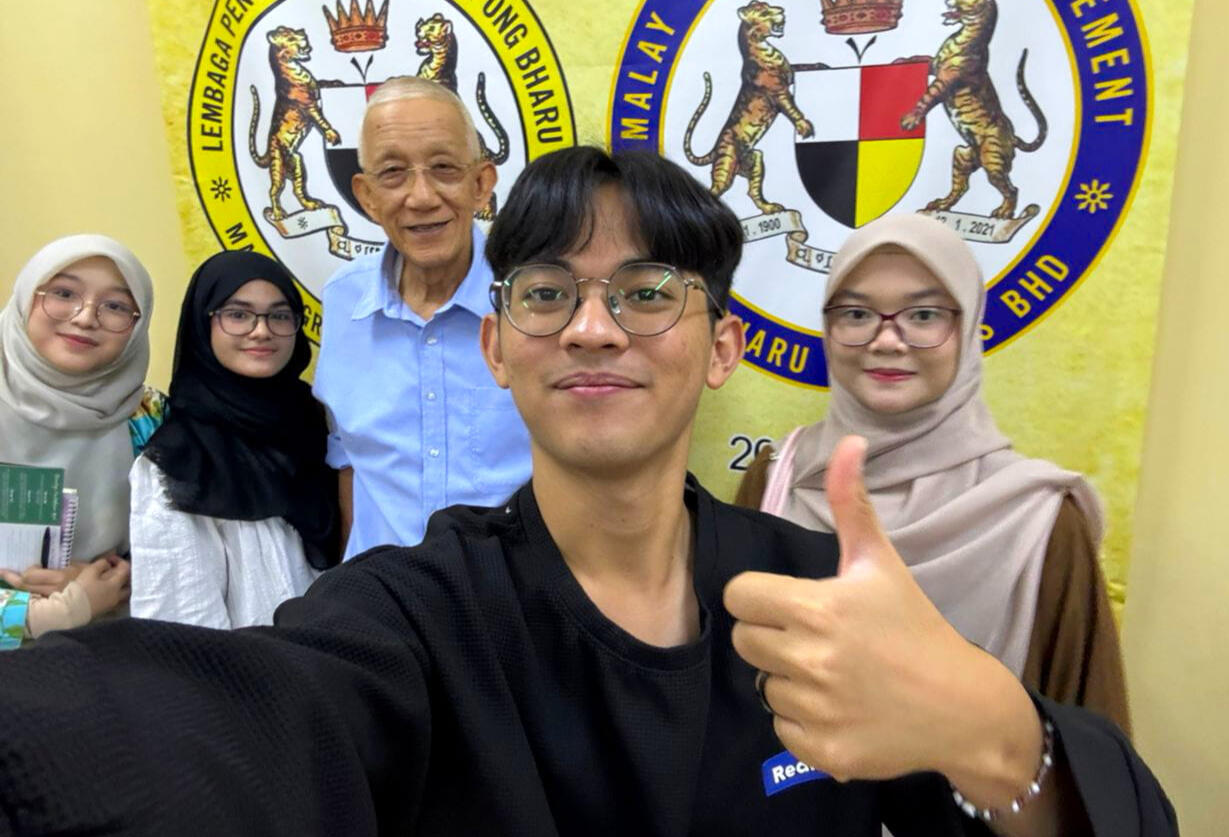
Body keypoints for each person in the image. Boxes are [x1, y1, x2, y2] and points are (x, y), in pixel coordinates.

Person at [0, 149, 1173, 836]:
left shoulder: (814, 593)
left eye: (648, 291)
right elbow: (227, 723)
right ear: (497, 345)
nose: (594, 328)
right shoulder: (412, 613)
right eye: (548, 292)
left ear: (720, 346)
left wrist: (996, 736)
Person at [734, 214, 1129, 733]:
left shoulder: (1039, 519)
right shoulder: (777, 478)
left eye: (923, 315)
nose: (887, 340)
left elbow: (1093, 747)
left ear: (967, 329)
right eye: (856, 313)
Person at [314, 76, 531, 558]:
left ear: (481, 184)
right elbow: (350, 457)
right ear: (366, 196)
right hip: (380, 594)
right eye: (393, 173)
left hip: (514, 593)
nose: (421, 196)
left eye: (444, 168)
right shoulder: (344, 301)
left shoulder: (537, 304)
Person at [128, 252, 339, 629]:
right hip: (244, 664)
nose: (262, 331)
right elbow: (181, 628)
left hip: (345, 654)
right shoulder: (177, 462)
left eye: (279, 315)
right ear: (203, 323)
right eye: (238, 314)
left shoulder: (321, 426)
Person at [0, 234, 157, 628]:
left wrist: (119, 580)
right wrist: (54, 614)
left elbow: (180, 557)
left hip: (114, 645)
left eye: (115, 306)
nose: (86, 318)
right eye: (64, 293)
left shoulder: (151, 417)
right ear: (26, 297)